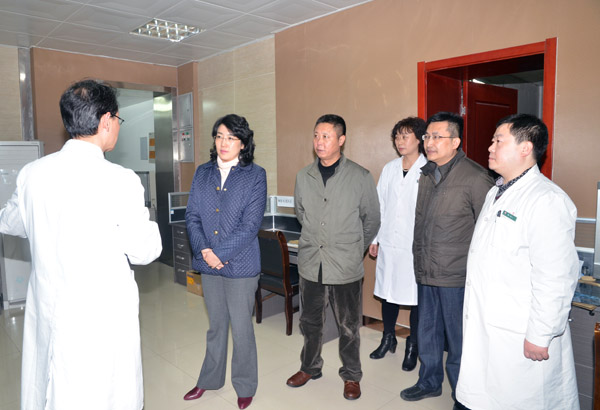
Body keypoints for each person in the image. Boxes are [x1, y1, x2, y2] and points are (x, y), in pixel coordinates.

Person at [0, 79, 162, 410]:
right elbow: (145, 251)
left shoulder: (33, 174)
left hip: (49, 306)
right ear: (106, 121)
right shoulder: (121, 180)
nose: (118, 126)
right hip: (99, 316)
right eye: (118, 119)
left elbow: (9, 222)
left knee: (52, 387)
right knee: (103, 393)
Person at [455, 114, 580, 410]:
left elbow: (556, 276)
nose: (490, 147)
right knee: (484, 395)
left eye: (499, 141)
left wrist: (541, 333)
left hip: (520, 332)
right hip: (489, 321)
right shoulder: (495, 192)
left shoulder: (546, 199)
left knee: (519, 399)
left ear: (525, 148)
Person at [400, 112, 493, 406]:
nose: (429, 142)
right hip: (426, 269)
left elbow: (488, 232)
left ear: (455, 142)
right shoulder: (427, 173)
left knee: (458, 339)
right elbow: (421, 221)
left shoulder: (476, 177)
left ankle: (462, 393)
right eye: (427, 136)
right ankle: (429, 382)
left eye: (437, 137)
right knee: (426, 331)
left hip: (457, 276)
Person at [286, 114, 380, 400]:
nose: (319, 141)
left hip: (345, 265)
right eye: (316, 135)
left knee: (348, 326)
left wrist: (353, 249)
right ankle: (310, 367)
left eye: (326, 136)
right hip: (311, 263)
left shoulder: (360, 176)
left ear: (341, 140)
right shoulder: (304, 176)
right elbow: (301, 214)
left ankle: (351, 375)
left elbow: (372, 220)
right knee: (310, 322)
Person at [183, 114, 267, 410]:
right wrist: (205, 250)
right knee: (216, 326)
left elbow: (250, 225)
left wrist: (219, 253)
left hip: (241, 265)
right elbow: (192, 216)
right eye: (219, 136)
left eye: (231, 137)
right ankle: (209, 380)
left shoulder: (255, 175)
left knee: (241, 329)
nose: (224, 142)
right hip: (209, 265)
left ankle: (245, 386)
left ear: (243, 143)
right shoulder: (203, 173)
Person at [368, 117, 427, 372]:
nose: (400, 141)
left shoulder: (428, 169)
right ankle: (388, 337)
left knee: (414, 297)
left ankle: (413, 345)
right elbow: (379, 205)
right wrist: (375, 238)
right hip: (389, 242)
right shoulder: (390, 168)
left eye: (406, 136)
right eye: (397, 136)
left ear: (419, 139)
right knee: (387, 292)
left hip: (414, 245)